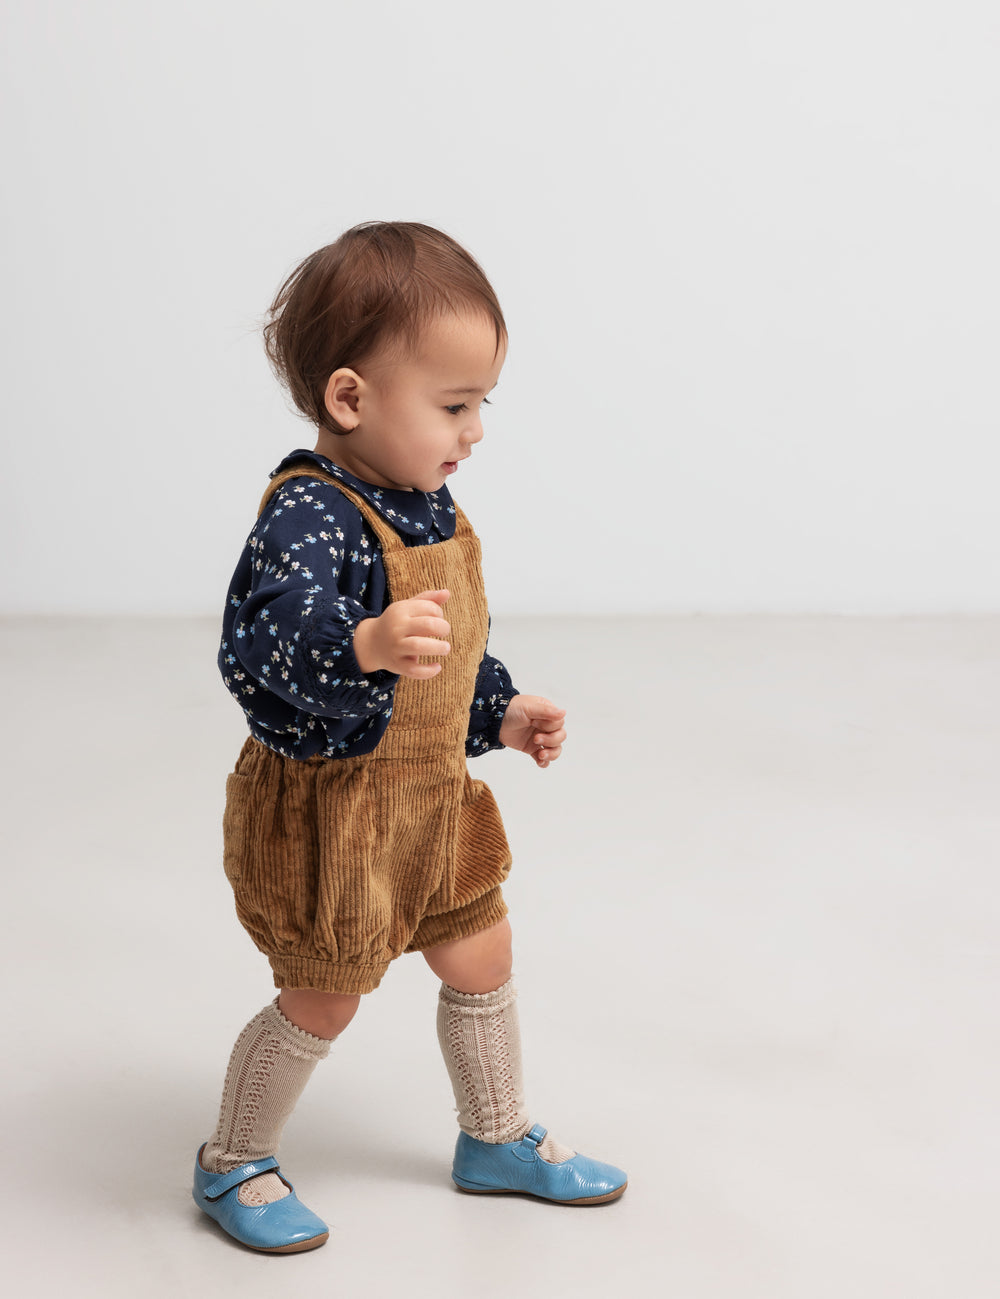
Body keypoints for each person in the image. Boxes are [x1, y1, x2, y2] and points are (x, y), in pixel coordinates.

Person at [193, 221, 627, 1253]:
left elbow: (451, 652)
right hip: (339, 812)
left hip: (433, 803)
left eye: (482, 405)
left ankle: (495, 1134)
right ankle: (233, 1158)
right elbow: (263, 642)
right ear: (350, 399)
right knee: (325, 993)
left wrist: (499, 711)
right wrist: (363, 643)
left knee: (481, 949)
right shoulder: (309, 514)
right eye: (453, 404)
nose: (473, 431)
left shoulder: (429, 508)